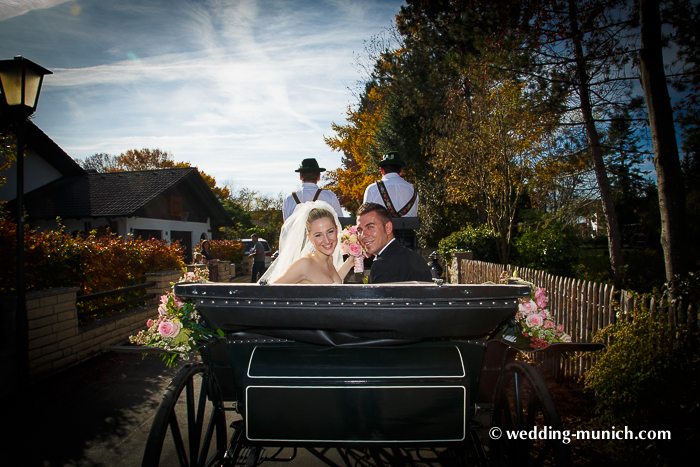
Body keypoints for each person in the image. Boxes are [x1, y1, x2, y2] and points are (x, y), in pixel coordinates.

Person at [260, 201, 354, 284]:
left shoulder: (329, 258)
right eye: (318, 235)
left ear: (337, 230)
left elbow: (332, 286)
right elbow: (270, 291)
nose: (327, 240)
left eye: (330, 232)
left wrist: (350, 261)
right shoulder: (304, 264)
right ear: (310, 237)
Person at [355, 202, 432, 284]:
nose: (363, 235)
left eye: (370, 227)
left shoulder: (383, 264)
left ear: (388, 228)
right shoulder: (417, 259)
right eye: (360, 230)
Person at [363, 151, 418, 217]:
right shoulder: (413, 190)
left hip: (382, 227)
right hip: (408, 227)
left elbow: (365, 216)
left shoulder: (372, 189)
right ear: (401, 171)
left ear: (382, 170)